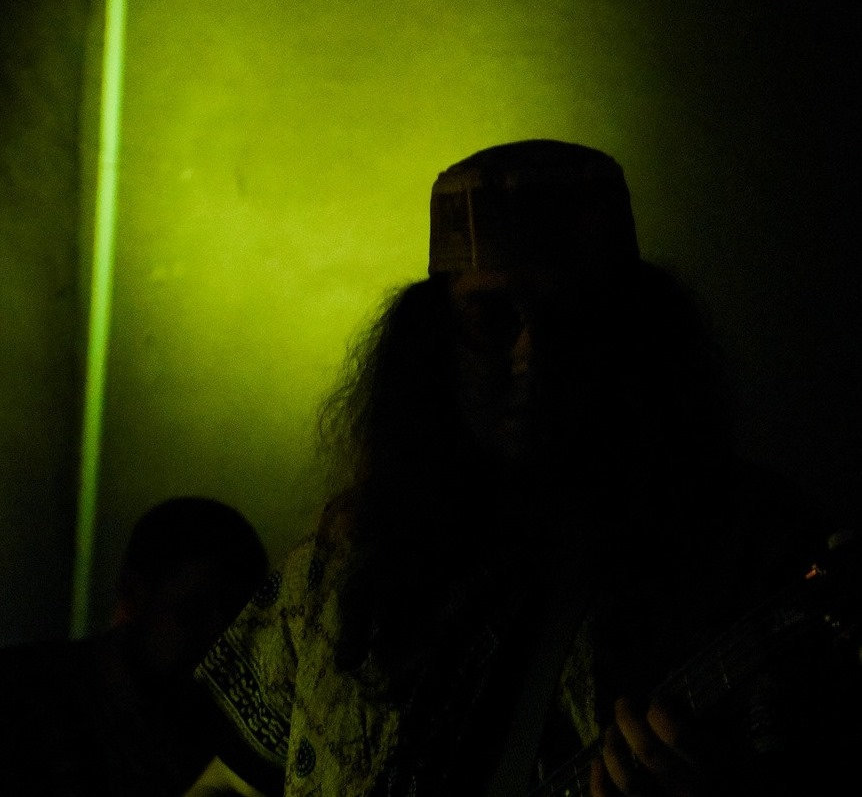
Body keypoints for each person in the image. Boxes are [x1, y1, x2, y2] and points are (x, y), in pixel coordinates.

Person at [188, 140, 859, 797]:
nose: (532, 356)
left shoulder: (750, 551)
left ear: (634, 334)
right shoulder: (340, 564)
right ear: (433, 342)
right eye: (491, 318)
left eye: (573, 320)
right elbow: (228, 781)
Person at [0, 495, 269, 796]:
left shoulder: (224, 733)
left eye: (239, 628)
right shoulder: (22, 697)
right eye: (193, 613)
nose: (218, 643)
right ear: (132, 591)